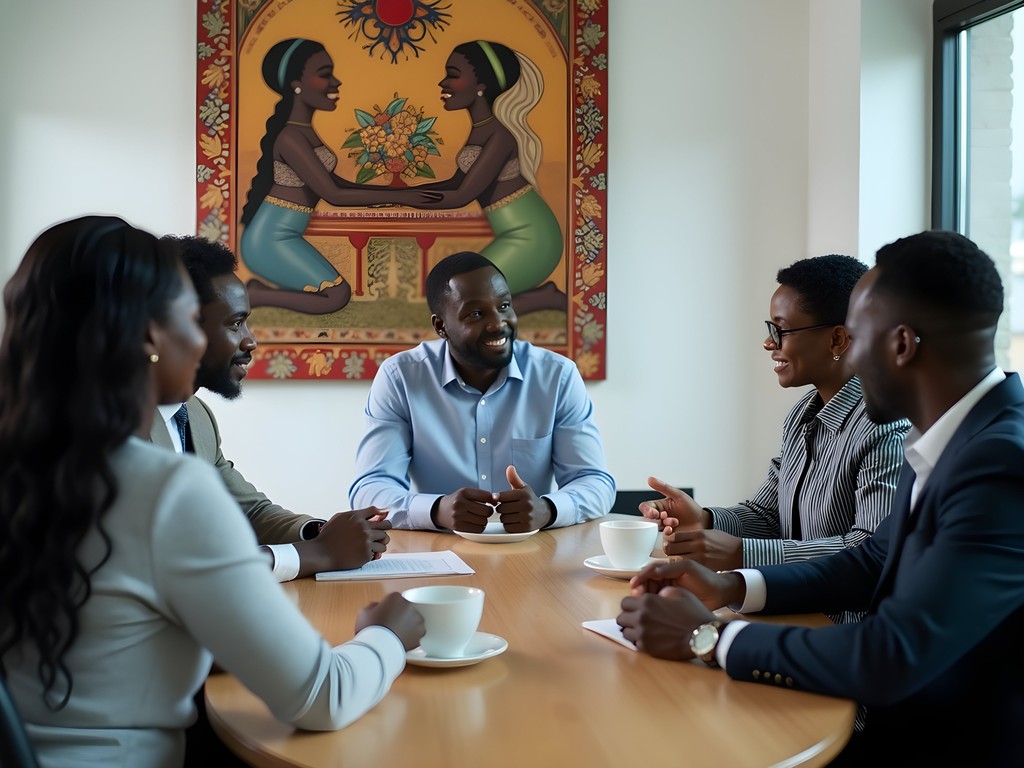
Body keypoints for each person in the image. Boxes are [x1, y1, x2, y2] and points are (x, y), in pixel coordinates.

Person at [0, 216, 424, 767]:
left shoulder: (27, 465)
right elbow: (324, 697)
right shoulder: (163, 490)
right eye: (190, 319)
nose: (203, 339)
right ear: (152, 333)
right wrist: (387, 634)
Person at [616, 230, 1024, 766]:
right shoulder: (952, 437)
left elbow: (891, 652)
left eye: (856, 336)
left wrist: (708, 637)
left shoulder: (999, 463)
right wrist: (731, 585)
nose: (850, 357)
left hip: (933, 744)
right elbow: (873, 559)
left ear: (899, 345)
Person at [640, 254, 909, 625]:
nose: (769, 343)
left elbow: (867, 551)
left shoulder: (886, 427)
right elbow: (768, 516)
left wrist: (743, 554)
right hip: (794, 613)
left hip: (850, 634)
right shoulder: (802, 415)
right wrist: (704, 518)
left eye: (780, 330)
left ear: (837, 338)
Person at [155, 234, 389, 582]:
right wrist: (317, 554)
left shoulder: (196, 415)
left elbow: (249, 512)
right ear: (178, 326)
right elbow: (172, 563)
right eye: (235, 324)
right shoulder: (116, 426)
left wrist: (319, 533)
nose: (251, 340)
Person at [349, 250, 614, 531]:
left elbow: (595, 482)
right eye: (476, 313)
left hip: (531, 551)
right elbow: (370, 488)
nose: (497, 324)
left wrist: (547, 509)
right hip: (439, 552)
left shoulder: (557, 376)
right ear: (441, 326)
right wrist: (436, 510)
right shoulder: (400, 377)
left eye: (504, 306)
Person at [239, 37, 439, 315]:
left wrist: (393, 196)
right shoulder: (291, 137)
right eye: (324, 75)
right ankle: (257, 296)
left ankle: (258, 293)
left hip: (285, 233)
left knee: (336, 293)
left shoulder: (304, 130)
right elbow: (332, 195)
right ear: (296, 84)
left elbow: (334, 183)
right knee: (337, 296)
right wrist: (402, 195)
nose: (336, 82)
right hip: (269, 239)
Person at [386, 40, 567, 314]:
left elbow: (461, 196)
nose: (443, 83)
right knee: (462, 295)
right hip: (511, 232)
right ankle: (542, 295)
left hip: (532, 237)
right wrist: (395, 195)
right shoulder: (481, 129)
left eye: (453, 75)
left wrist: (400, 198)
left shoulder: (500, 136)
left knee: (466, 297)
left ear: (481, 85)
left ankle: (547, 299)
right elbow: (455, 183)